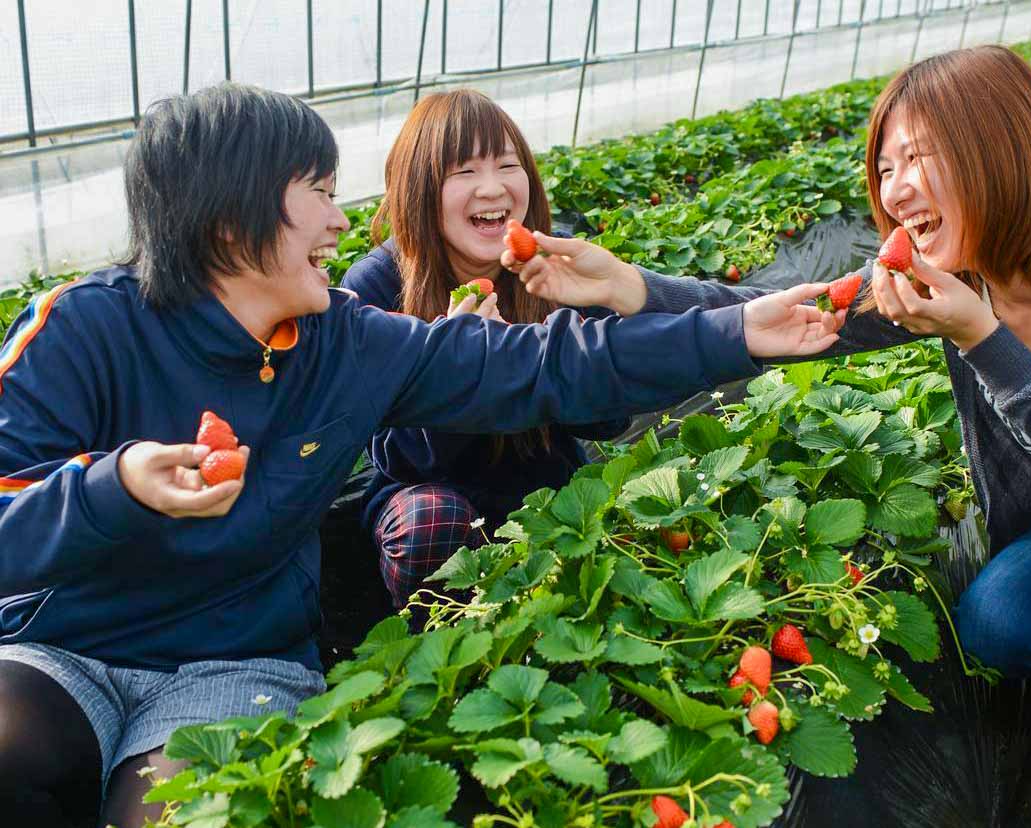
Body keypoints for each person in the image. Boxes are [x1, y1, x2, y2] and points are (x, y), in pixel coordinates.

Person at [0, 83, 842, 827]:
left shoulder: (347, 341)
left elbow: (556, 367)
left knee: (177, 814)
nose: (339, 219)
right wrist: (112, 488)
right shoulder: (80, 330)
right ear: (231, 218)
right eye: (318, 194)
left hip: (231, 665)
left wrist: (737, 330)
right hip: (67, 651)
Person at [505, 45, 1031, 828]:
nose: (893, 190)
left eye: (918, 158)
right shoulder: (966, 276)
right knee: (995, 621)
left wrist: (982, 338)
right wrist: (627, 286)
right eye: (884, 168)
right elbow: (791, 308)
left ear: (998, 144)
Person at [341, 90, 630, 615]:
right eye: (464, 171)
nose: (492, 188)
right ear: (420, 188)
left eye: (507, 165)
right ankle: (448, 651)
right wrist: (458, 366)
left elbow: (611, 421)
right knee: (431, 524)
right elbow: (397, 456)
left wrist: (566, 353)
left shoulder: (553, 259)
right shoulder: (378, 284)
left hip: (546, 484)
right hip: (432, 497)